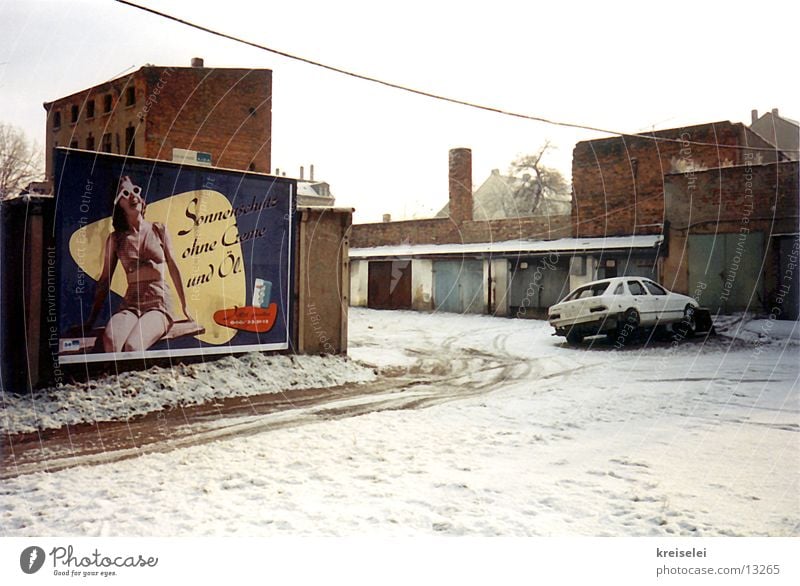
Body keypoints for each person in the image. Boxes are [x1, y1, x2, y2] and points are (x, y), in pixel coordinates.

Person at [84, 175, 191, 353]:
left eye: (135, 190)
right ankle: (115, 380)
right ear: (119, 204)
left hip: (159, 304)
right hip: (131, 305)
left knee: (133, 347)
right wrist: (91, 320)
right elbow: (105, 280)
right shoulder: (116, 239)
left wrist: (185, 306)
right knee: (111, 343)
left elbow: (173, 266)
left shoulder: (158, 230)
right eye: (125, 193)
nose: (133, 196)